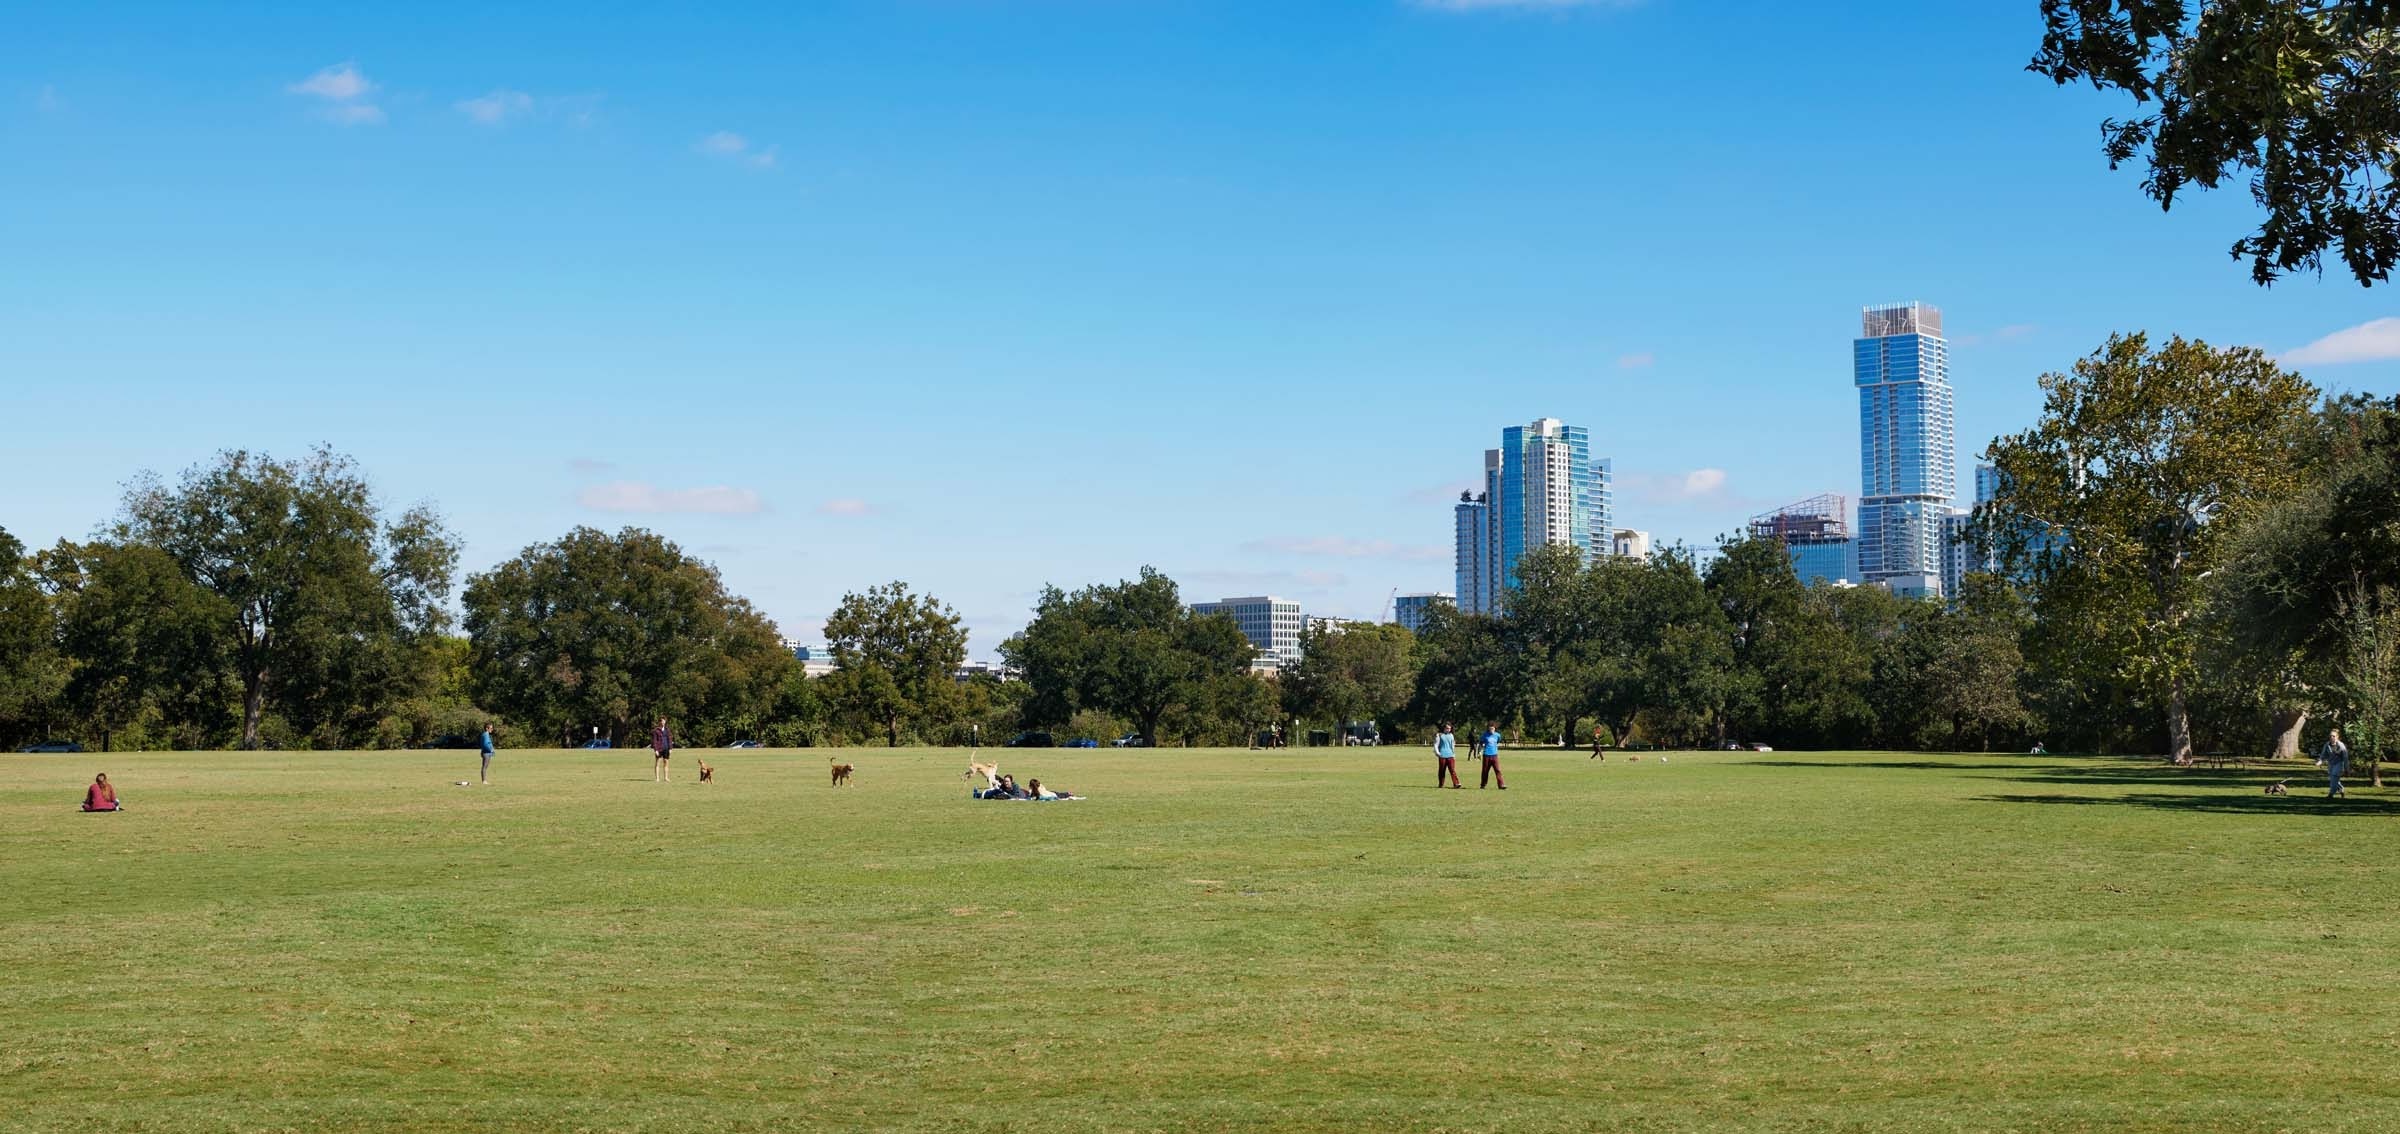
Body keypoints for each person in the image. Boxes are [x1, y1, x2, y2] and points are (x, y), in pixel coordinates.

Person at [2322, 729, 2351, 798]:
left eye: (2333, 736)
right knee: (2333, 779)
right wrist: (2320, 761)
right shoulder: (2327, 744)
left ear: (2337, 737)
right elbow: (2323, 754)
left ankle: (2331, 794)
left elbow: (2345, 758)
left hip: (2339, 764)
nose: (2332, 737)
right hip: (2331, 764)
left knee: (2334, 779)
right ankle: (2341, 789)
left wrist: (2347, 769)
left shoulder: (2341, 746)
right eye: (2330, 736)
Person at [1434, 724, 1463, 789]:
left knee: (1452, 770)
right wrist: (1437, 752)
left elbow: (1452, 745)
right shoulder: (1439, 735)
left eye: (1449, 728)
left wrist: (1453, 753)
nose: (1448, 730)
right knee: (1442, 771)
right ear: (1444, 728)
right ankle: (1441, 784)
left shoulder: (1451, 735)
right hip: (1442, 755)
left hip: (1450, 755)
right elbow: (1436, 744)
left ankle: (1456, 783)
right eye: (1447, 728)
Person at [1479, 722, 1506, 790]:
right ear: (1488, 729)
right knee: (1485, 771)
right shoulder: (1484, 735)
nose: (1492, 730)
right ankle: (1483, 784)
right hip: (1486, 755)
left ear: (1495, 728)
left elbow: (1497, 741)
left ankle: (1501, 785)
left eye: (1493, 729)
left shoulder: (1497, 735)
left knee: (1498, 770)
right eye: (1490, 729)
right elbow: (1481, 744)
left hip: (1494, 755)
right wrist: (1479, 752)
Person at [652, 716, 673, 783]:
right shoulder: (656, 730)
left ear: (665, 721)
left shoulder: (667, 730)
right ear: (659, 722)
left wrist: (670, 748)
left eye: (664, 721)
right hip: (659, 749)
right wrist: (656, 750)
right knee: (658, 762)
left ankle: (666, 778)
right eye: (661, 721)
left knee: (666, 763)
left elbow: (669, 739)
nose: (662, 722)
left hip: (666, 748)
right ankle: (657, 778)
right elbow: (654, 741)